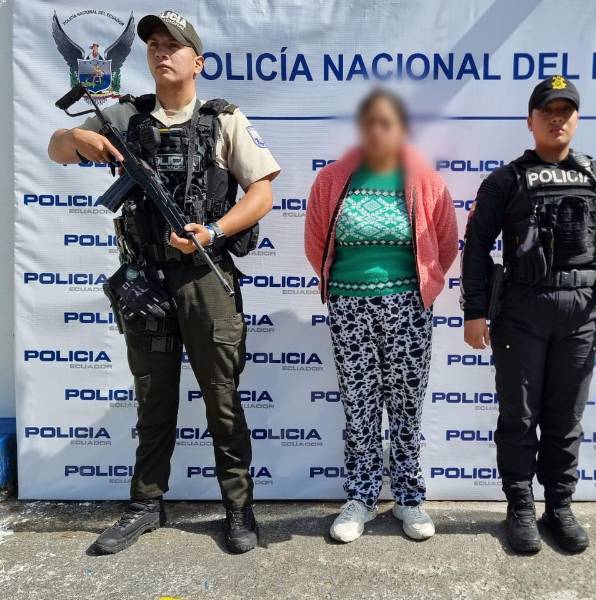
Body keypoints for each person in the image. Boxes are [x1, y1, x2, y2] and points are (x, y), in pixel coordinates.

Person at [47, 11, 280, 555]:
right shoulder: (124, 116)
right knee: (153, 399)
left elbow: (263, 191)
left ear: (197, 61)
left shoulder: (224, 120)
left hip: (204, 277)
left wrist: (214, 231)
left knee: (222, 399)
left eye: (172, 44)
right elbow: (56, 148)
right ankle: (146, 504)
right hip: (145, 281)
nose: (160, 51)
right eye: (153, 43)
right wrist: (77, 136)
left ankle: (238, 508)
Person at [460, 75, 596, 554]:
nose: (557, 120)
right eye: (548, 112)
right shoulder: (505, 180)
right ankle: (520, 507)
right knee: (519, 416)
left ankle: (559, 506)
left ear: (576, 120)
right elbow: (476, 247)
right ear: (530, 121)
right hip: (522, 311)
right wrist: (474, 311)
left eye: (565, 112)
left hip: (581, 314)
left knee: (565, 416)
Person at [305, 89, 458, 543]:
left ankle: (409, 498)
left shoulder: (425, 181)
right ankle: (362, 497)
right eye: (369, 122)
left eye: (386, 123)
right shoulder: (333, 179)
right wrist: (346, 290)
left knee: (406, 406)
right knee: (360, 406)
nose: (377, 131)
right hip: (349, 307)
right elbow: (317, 242)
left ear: (402, 129)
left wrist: (417, 287)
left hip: (408, 306)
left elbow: (444, 243)